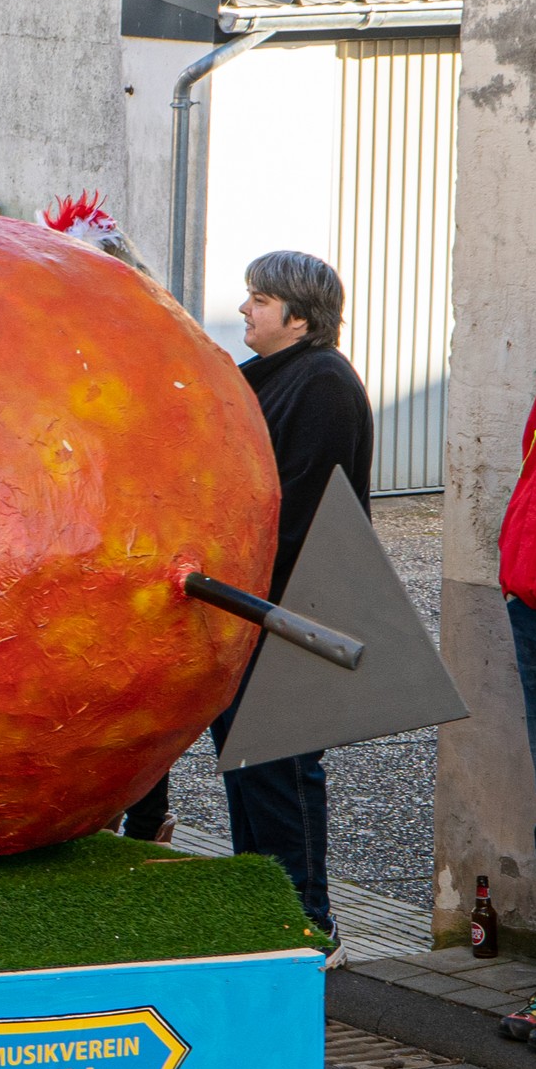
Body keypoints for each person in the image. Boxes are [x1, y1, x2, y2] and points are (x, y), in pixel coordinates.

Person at [218, 250, 373, 940]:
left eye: (259, 298)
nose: (246, 308)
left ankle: (309, 923)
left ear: (300, 318)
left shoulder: (323, 384)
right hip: (249, 604)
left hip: (291, 608)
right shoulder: (266, 375)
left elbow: (302, 505)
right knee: (247, 767)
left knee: (280, 766)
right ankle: (261, 911)